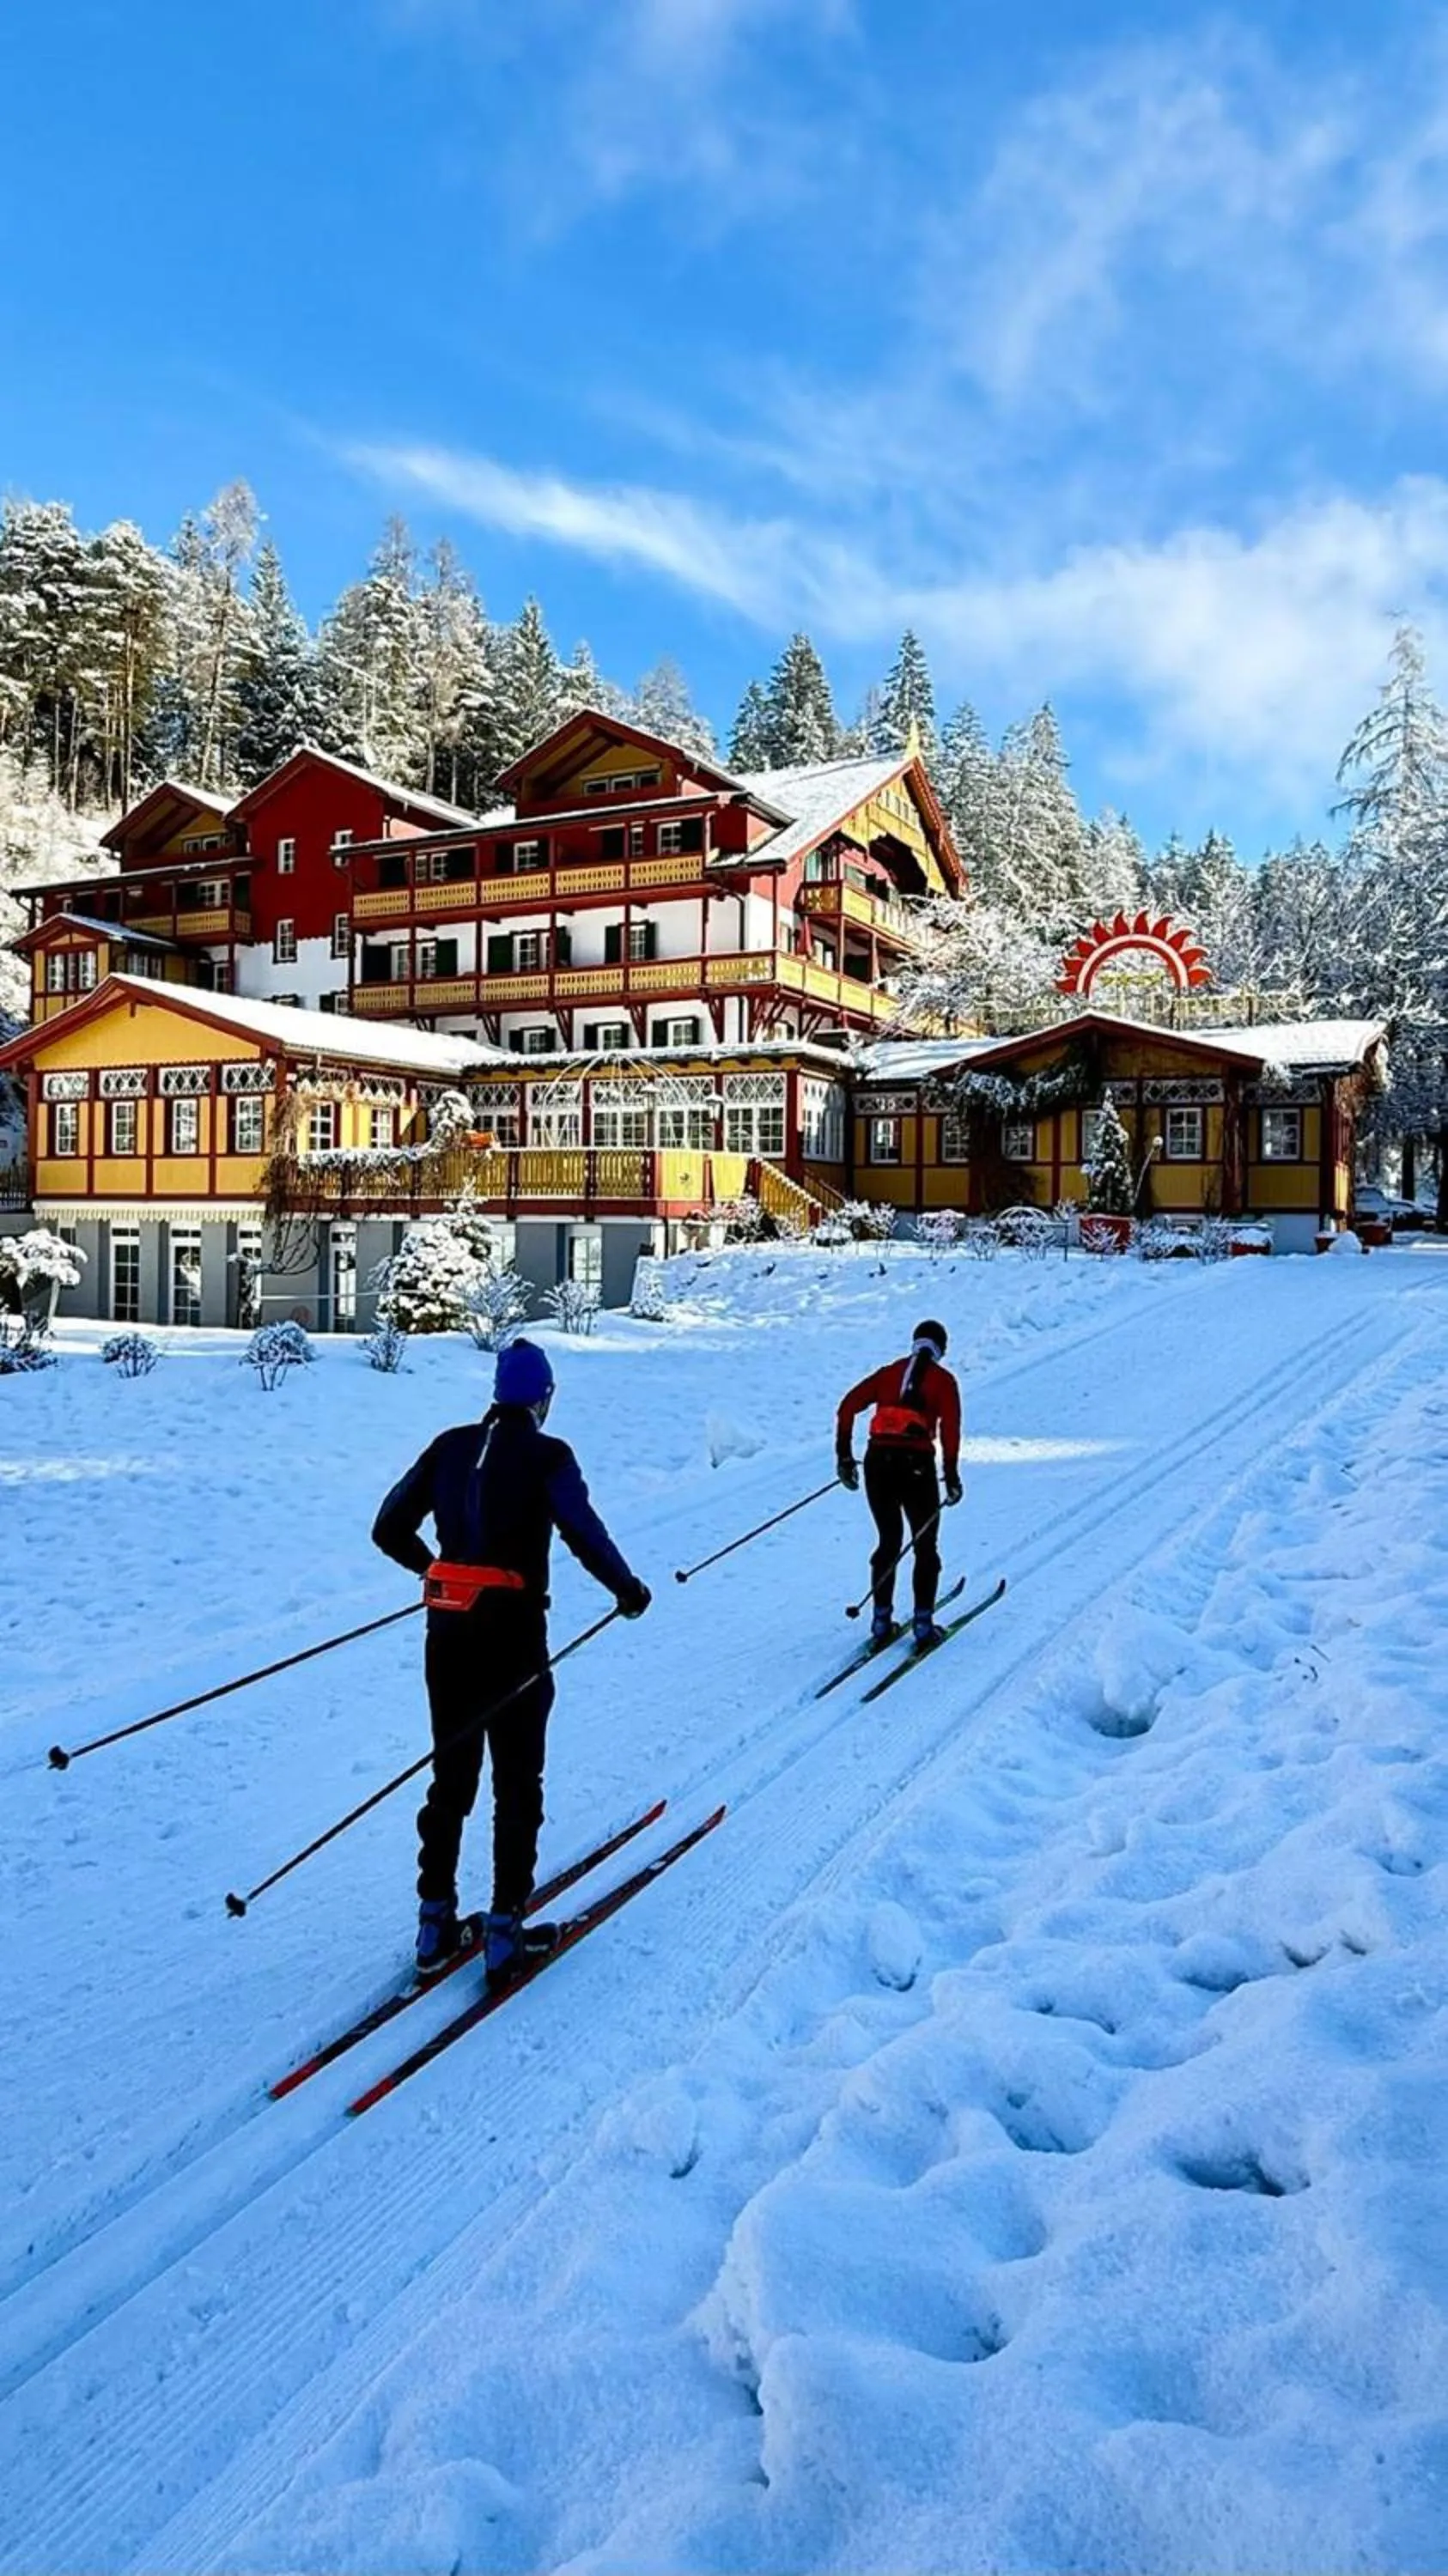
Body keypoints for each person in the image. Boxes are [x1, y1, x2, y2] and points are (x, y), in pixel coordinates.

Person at [372, 1339, 651, 1985]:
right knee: (517, 1783)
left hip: (446, 1635)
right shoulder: (549, 1454)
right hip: (514, 1637)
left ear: (498, 1394)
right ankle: (503, 1932)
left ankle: (434, 1923)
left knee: (451, 1776)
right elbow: (583, 1529)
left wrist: (437, 1570)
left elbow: (388, 1526)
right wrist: (628, 1590)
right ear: (543, 1399)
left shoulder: (450, 1446)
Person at [835, 1318, 963, 1649]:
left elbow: (847, 1407)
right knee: (925, 1546)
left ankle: (880, 1622)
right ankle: (922, 1625)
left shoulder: (888, 1373)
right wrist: (950, 1475)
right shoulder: (943, 1381)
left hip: (878, 1462)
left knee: (888, 1542)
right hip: (917, 1467)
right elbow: (950, 1431)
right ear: (941, 1349)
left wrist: (845, 1457)